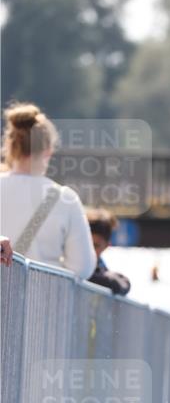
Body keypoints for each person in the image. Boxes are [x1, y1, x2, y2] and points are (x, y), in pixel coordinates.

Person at [0, 103, 96, 278]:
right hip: (42, 302)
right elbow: (82, 267)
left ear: (10, 146)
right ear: (48, 152)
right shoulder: (65, 198)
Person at [86, 209, 131, 295]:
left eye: (96, 245)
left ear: (106, 246)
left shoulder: (102, 269)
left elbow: (122, 284)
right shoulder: (68, 262)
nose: (90, 249)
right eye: (87, 243)